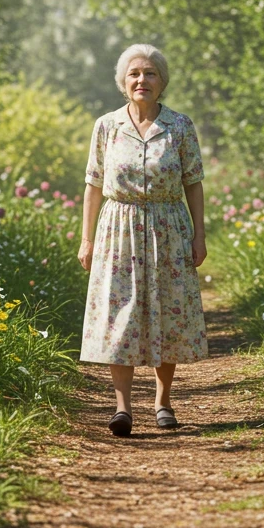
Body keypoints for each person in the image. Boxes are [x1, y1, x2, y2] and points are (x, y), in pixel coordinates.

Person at [77, 44, 208, 435]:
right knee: (122, 315)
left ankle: (163, 400)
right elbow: (93, 185)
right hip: (119, 229)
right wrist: (86, 239)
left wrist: (199, 235)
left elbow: (194, 183)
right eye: (134, 74)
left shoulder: (180, 126)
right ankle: (122, 407)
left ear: (162, 81)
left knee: (167, 310)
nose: (142, 80)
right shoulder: (106, 126)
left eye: (150, 73)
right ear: (123, 82)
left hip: (169, 226)